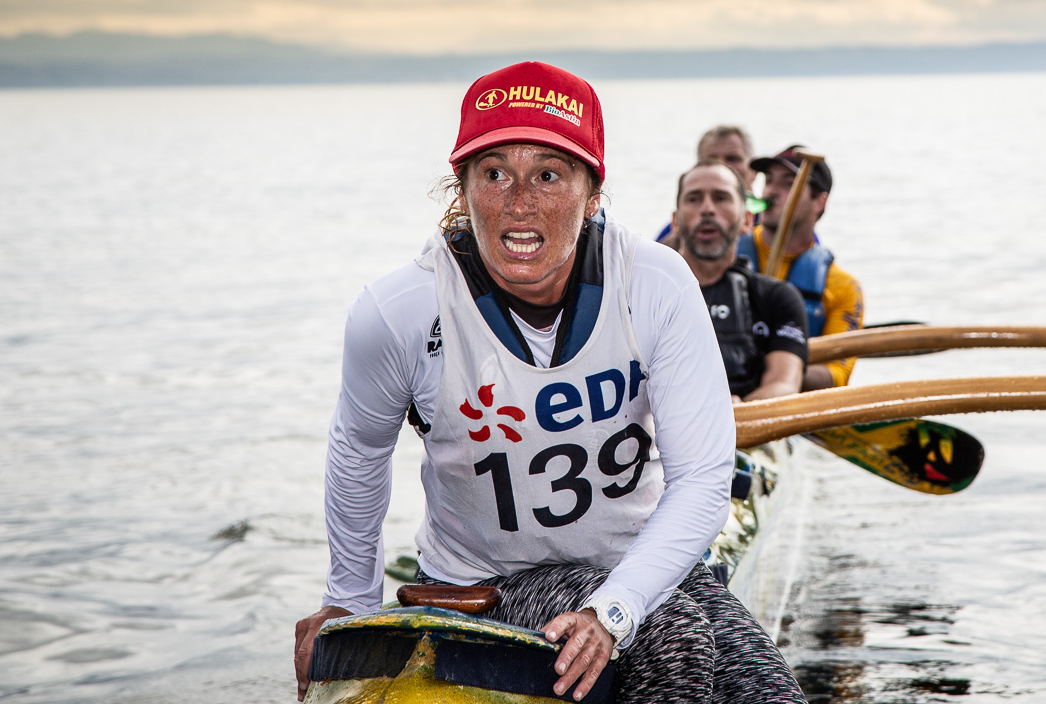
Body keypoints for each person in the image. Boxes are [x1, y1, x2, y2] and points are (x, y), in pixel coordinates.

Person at [293, 61, 806, 704]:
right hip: (491, 581)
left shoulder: (656, 283)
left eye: (547, 174)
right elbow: (359, 451)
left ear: (592, 194)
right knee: (677, 648)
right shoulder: (397, 312)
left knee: (768, 687)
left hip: (639, 560)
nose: (518, 200)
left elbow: (703, 478)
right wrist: (348, 604)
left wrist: (612, 612)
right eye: (495, 173)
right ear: (463, 189)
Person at [673, 161, 808, 401]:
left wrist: (735, 413)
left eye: (721, 198)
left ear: (747, 220)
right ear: (675, 221)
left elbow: (783, 385)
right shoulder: (641, 295)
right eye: (694, 199)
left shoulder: (776, 298)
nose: (707, 209)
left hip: (746, 426)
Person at [736, 146, 863, 391]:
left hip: (788, 402)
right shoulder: (725, 255)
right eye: (769, 180)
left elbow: (837, 374)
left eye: (789, 183)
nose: (772, 190)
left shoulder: (843, 287)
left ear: (819, 201)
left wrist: (782, 370)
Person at [657, 125, 765, 246]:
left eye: (733, 159)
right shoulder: (676, 229)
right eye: (711, 161)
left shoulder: (775, 225)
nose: (722, 167)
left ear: (754, 171)